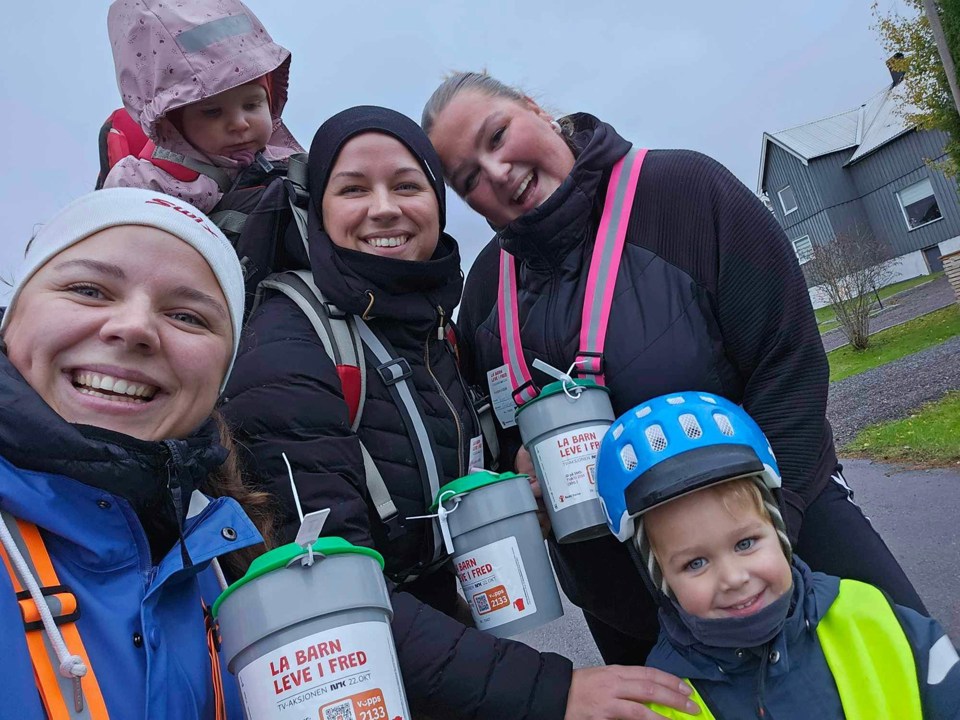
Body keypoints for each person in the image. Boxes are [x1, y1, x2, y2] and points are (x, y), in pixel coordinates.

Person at [421, 71, 929, 665]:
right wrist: (521, 470)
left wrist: (766, 539)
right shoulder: (486, 290)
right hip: (628, 608)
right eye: (469, 178)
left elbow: (787, 363)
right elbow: (502, 435)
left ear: (535, 109)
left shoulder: (683, 192)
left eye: (498, 136)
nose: (498, 173)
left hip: (786, 546)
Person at [221, 105, 698, 720]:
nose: (385, 207)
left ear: (438, 205)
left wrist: (515, 469)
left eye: (407, 185)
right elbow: (330, 592)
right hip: (360, 684)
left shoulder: (426, 327)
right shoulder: (285, 349)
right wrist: (555, 691)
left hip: (441, 653)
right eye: (353, 189)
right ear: (318, 211)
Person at [0, 187, 273, 717]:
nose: (133, 328)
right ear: (11, 320)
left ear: (222, 378)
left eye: (189, 317)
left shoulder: (228, 562)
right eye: (89, 289)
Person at [595, 392, 960, 718]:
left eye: (745, 543)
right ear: (660, 579)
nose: (734, 577)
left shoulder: (870, 614)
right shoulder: (666, 700)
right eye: (696, 563)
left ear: (780, 531)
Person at [101, 0, 302, 213]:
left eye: (252, 105)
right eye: (213, 112)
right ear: (172, 124)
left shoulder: (290, 161)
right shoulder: (152, 183)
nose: (240, 124)